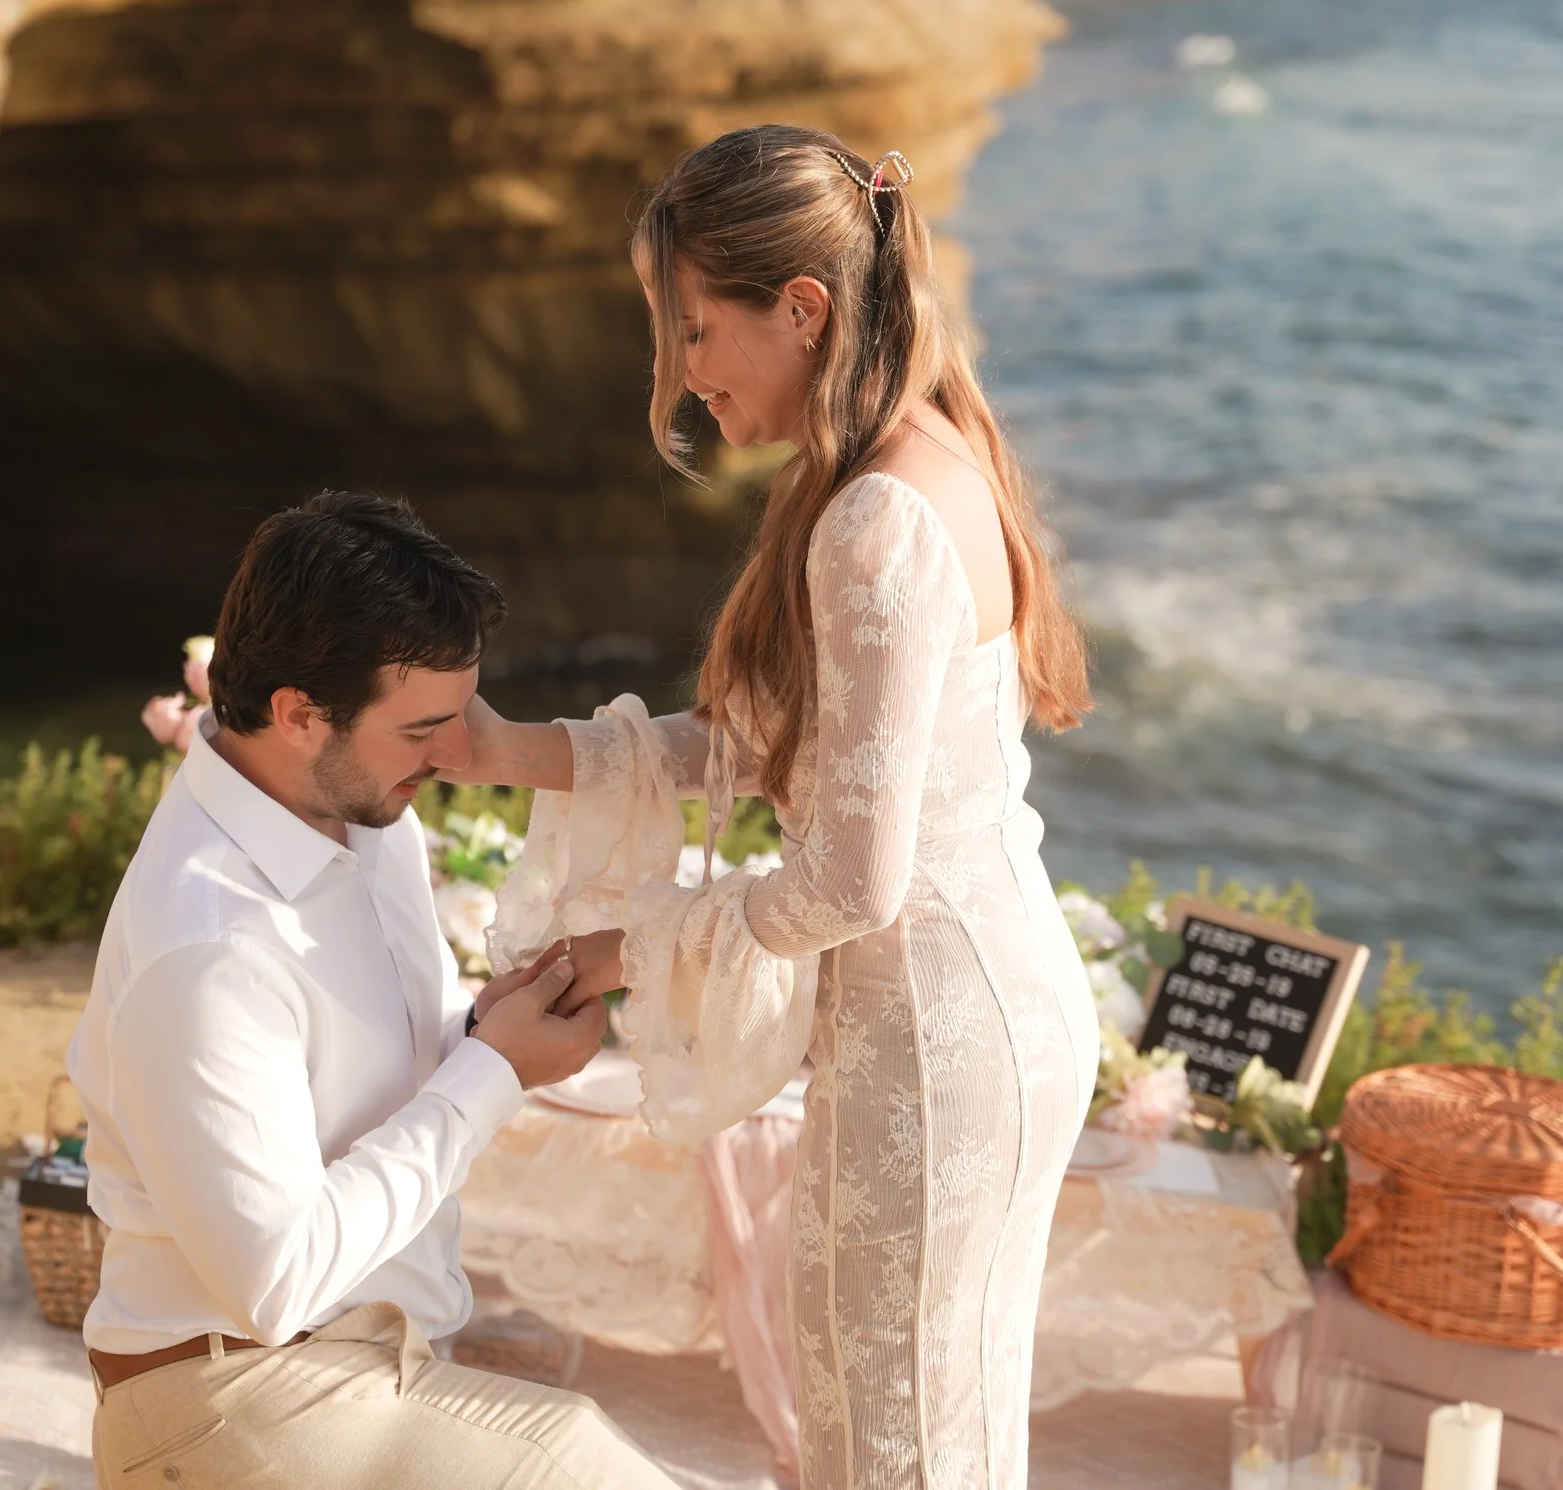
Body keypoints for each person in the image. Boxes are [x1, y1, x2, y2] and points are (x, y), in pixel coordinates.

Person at [461, 124, 1099, 1489]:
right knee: (919, 1430)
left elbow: (852, 880)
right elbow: (764, 750)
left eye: (699, 328)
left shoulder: (874, 518)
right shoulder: (909, 462)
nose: (685, 370)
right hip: (965, 1007)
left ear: (801, 311)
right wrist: (507, 746)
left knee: (898, 1441)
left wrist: (622, 943)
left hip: (933, 1030)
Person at [66, 491, 678, 1490]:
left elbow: (361, 1073)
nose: (457, 755)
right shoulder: (208, 945)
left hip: (357, 1369)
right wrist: (489, 1071)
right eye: (424, 729)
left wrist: (480, 1029)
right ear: (299, 713)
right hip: (226, 1405)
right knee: (586, 1467)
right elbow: (278, 1278)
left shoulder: (370, 821)